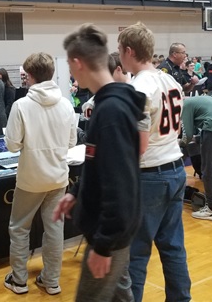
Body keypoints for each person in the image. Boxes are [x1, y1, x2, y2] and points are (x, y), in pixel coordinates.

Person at [53, 23, 145, 302]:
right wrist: (76, 193)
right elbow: (102, 167)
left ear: (77, 63)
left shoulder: (112, 111)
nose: (69, 72)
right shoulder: (109, 105)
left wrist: (103, 247)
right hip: (111, 234)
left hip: (110, 236)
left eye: (69, 65)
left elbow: (121, 185)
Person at [119, 22, 192, 302]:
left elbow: (139, 144)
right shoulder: (169, 80)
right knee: (173, 247)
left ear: (128, 51)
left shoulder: (140, 87)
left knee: (135, 253)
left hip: (149, 176)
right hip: (175, 168)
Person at [2, 52, 77, 296]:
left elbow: (12, 145)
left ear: (30, 75)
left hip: (30, 179)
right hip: (58, 177)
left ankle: (19, 280)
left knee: (19, 229)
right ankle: (51, 280)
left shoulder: (21, 105)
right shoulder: (66, 103)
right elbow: (71, 141)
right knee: (55, 230)